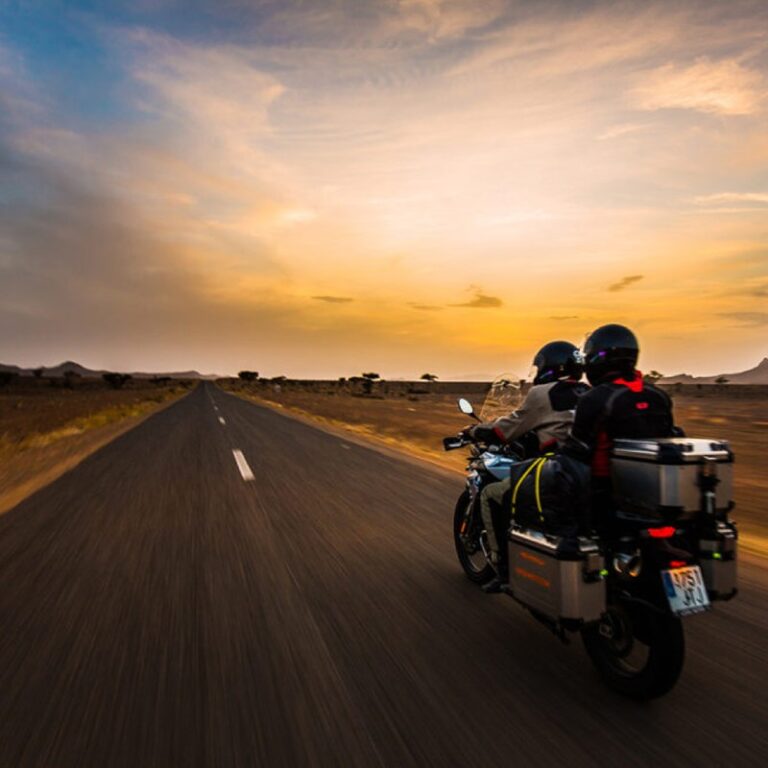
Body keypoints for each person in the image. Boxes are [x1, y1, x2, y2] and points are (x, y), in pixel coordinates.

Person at [465, 341, 590, 593]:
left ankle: (503, 570)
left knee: (490, 495)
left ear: (551, 367)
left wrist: (476, 430)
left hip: (555, 470)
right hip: (586, 471)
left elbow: (506, 429)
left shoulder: (542, 394)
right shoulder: (587, 392)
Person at [562, 323, 676, 531]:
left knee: (554, 473)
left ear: (598, 359)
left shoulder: (596, 398)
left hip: (604, 493)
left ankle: (567, 537)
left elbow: (576, 451)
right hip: (654, 493)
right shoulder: (658, 396)